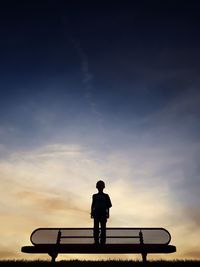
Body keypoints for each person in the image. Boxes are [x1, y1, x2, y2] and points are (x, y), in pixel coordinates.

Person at [91, 180, 112, 244]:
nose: (100, 187)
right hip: (96, 213)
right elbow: (93, 205)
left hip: (103, 214)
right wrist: (92, 212)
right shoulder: (94, 196)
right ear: (97, 187)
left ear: (103, 187)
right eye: (99, 186)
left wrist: (108, 213)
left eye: (101, 186)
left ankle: (102, 241)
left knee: (103, 228)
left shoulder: (106, 196)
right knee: (96, 228)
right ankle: (96, 241)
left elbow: (108, 206)